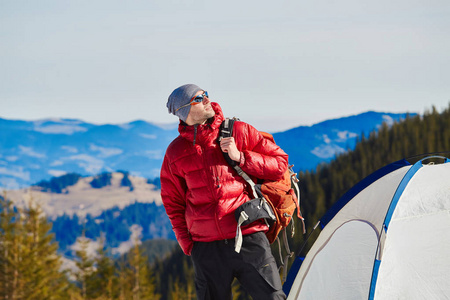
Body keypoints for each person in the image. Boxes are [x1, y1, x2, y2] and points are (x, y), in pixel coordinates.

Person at [160, 84, 288, 300]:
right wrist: (188, 244)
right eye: (198, 98)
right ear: (184, 111)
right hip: (206, 248)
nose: (207, 99)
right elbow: (173, 202)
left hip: (248, 237)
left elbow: (279, 164)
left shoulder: (239, 131)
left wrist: (242, 157)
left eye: (205, 94)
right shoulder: (175, 152)